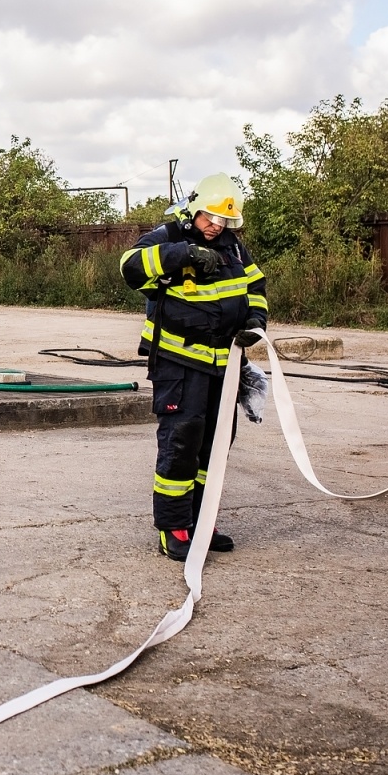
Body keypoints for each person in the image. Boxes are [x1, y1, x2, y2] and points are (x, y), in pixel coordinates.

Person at [121, 174, 267, 561]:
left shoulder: (233, 246)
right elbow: (129, 267)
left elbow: (255, 287)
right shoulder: (167, 235)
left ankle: (202, 520)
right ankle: (174, 529)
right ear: (194, 208)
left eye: (224, 221)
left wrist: (256, 322)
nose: (216, 226)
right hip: (180, 364)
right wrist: (180, 254)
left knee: (215, 447)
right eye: (211, 218)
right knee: (181, 445)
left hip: (225, 367)